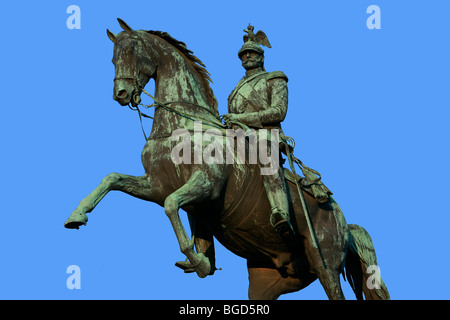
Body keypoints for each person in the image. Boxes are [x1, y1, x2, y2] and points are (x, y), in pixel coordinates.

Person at [222, 24, 295, 240]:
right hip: (237, 135)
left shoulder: (275, 78)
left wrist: (240, 118)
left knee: (265, 150)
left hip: (266, 133)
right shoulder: (236, 87)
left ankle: (281, 211)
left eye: (251, 53)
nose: (246, 57)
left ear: (261, 57)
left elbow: (278, 112)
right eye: (243, 55)